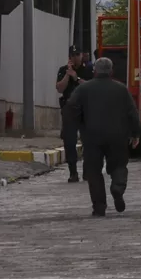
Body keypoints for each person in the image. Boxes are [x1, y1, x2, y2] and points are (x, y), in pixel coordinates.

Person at [65, 57, 140, 217]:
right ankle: (117, 187)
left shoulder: (83, 89)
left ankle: (99, 206)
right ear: (111, 71)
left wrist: (78, 126)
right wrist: (135, 133)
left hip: (91, 136)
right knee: (119, 165)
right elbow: (132, 113)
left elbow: (71, 108)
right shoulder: (121, 89)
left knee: (93, 171)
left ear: (95, 71)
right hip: (117, 136)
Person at [56, 47, 86, 182]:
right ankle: (73, 172)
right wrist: (68, 75)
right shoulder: (63, 70)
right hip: (69, 108)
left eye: (77, 54)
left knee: (89, 140)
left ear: (82, 55)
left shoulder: (88, 69)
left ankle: (88, 170)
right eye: (72, 55)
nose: (75, 57)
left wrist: (76, 77)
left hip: (85, 108)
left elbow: (91, 86)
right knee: (69, 141)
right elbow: (59, 88)